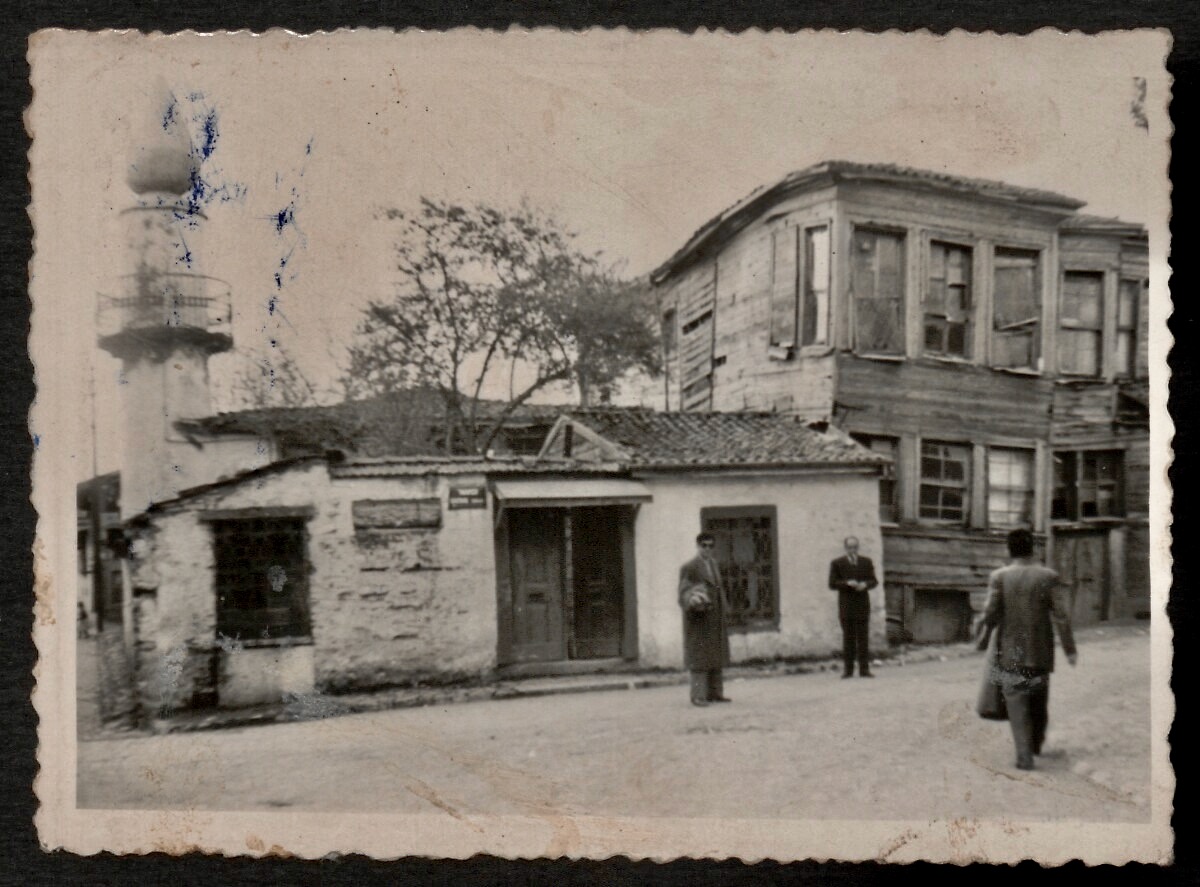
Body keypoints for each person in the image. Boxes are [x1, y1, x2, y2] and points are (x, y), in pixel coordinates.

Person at [981, 528, 1077, 771]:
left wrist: (982, 634)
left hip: (1010, 650)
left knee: (1016, 701)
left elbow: (990, 613)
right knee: (1038, 698)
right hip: (1040, 649)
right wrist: (1070, 649)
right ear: (1033, 548)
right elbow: (1061, 616)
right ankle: (1035, 745)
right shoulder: (1048, 576)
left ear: (1008, 550)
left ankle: (1025, 756)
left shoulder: (999, 577)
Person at [678, 532, 731, 706]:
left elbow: (719, 589)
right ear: (698, 546)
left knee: (716, 655)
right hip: (699, 618)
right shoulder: (690, 567)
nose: (707, 549)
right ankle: (698, 696)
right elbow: (683, 592)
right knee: (699, 657)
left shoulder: (714, 564)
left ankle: (715, 693)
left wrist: (725, 609)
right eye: (704, 546)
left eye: (710, 546)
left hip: (715, 617)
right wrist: (693, 600)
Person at [828, 536, 878, 678]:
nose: (852, 550)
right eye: (850, 547)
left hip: (862, 604)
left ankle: (864, 670)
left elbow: (874, 581)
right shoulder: (837, 563)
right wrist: (847, 583)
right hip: (846, 605)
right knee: (848, 638)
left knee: (863, 638)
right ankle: (848, 670)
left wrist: (865, 585)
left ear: (858, 547)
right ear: (845, 548)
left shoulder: (866, 562)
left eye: (855, 547)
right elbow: (832, 584)